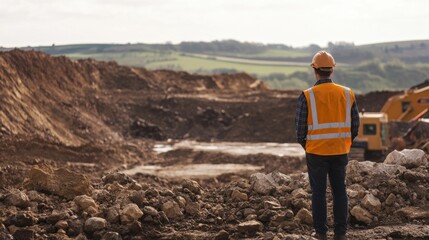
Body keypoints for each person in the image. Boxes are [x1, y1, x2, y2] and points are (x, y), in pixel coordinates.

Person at [295, 51, 360, 240]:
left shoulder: (307, 95)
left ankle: (321, 233)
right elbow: (354, 126)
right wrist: (343, 143)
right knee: (340, 191)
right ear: (331, 70)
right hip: (340, 151)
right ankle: (341, 234)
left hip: (316, 152)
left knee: (318, 193)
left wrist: (309, 146)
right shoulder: (347, 93)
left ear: (315, 70)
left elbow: (299, 130)